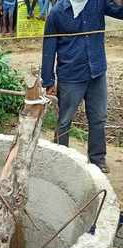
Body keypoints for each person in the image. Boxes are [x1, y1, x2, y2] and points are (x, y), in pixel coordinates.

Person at [42, 0, 123, 174]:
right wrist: (48, 80)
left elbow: (120, 13)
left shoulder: (98, 3)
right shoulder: (57, 13)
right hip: (71, 75)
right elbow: (48, 48)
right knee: (64, 121)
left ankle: (97, 159)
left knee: (99, 118)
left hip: (97, 72)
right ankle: (60, 159)